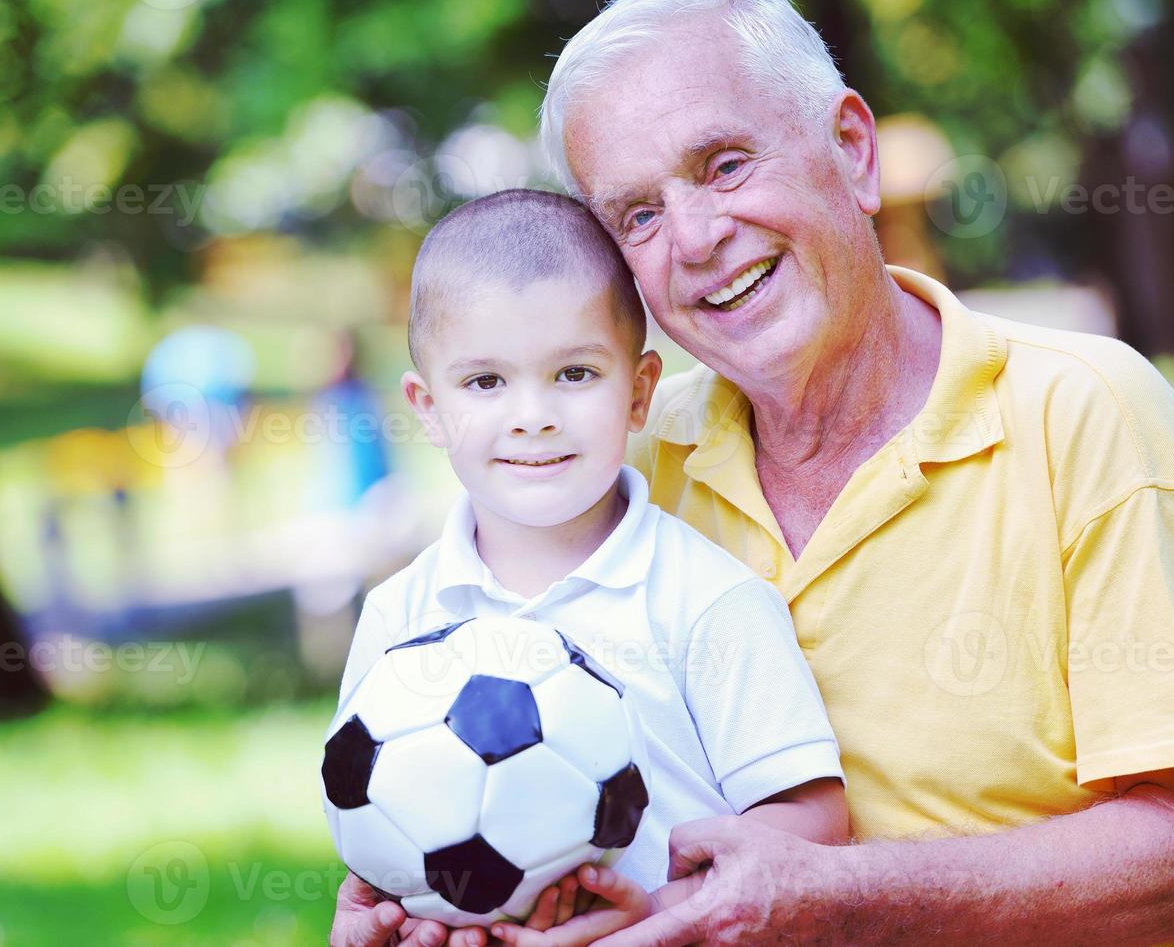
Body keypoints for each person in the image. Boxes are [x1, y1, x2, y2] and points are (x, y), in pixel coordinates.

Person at [520, 0, 1174, 945]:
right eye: (636, 215)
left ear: (850, 152)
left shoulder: (1081, 412)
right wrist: (428, 877)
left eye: (724, 164)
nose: (692, 237)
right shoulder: (624, 466)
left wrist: (837, 894)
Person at [329, 188, 848, 947]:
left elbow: (813, 819)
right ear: (427, 406)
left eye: (573, 374)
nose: (531, 414)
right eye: (484, 382)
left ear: (638, 392)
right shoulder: (399, 618)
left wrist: (661, 917)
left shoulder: (708, 600)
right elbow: (374, 831)